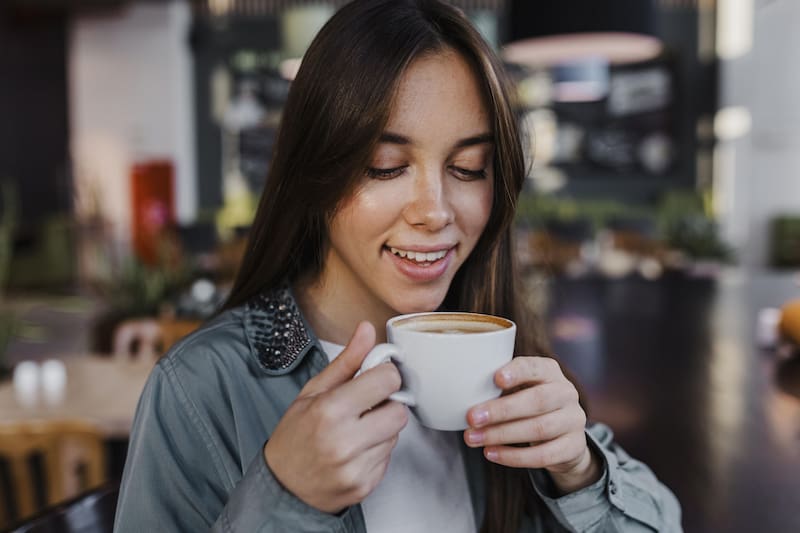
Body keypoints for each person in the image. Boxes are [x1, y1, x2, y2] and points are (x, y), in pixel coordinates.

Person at [114, 1, 682, 531]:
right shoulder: (200, 387)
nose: (434, 212)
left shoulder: (498, 346)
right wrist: (285, 498)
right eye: (386, 167)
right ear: (315, 171)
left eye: (468, 168)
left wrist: (579, 469)